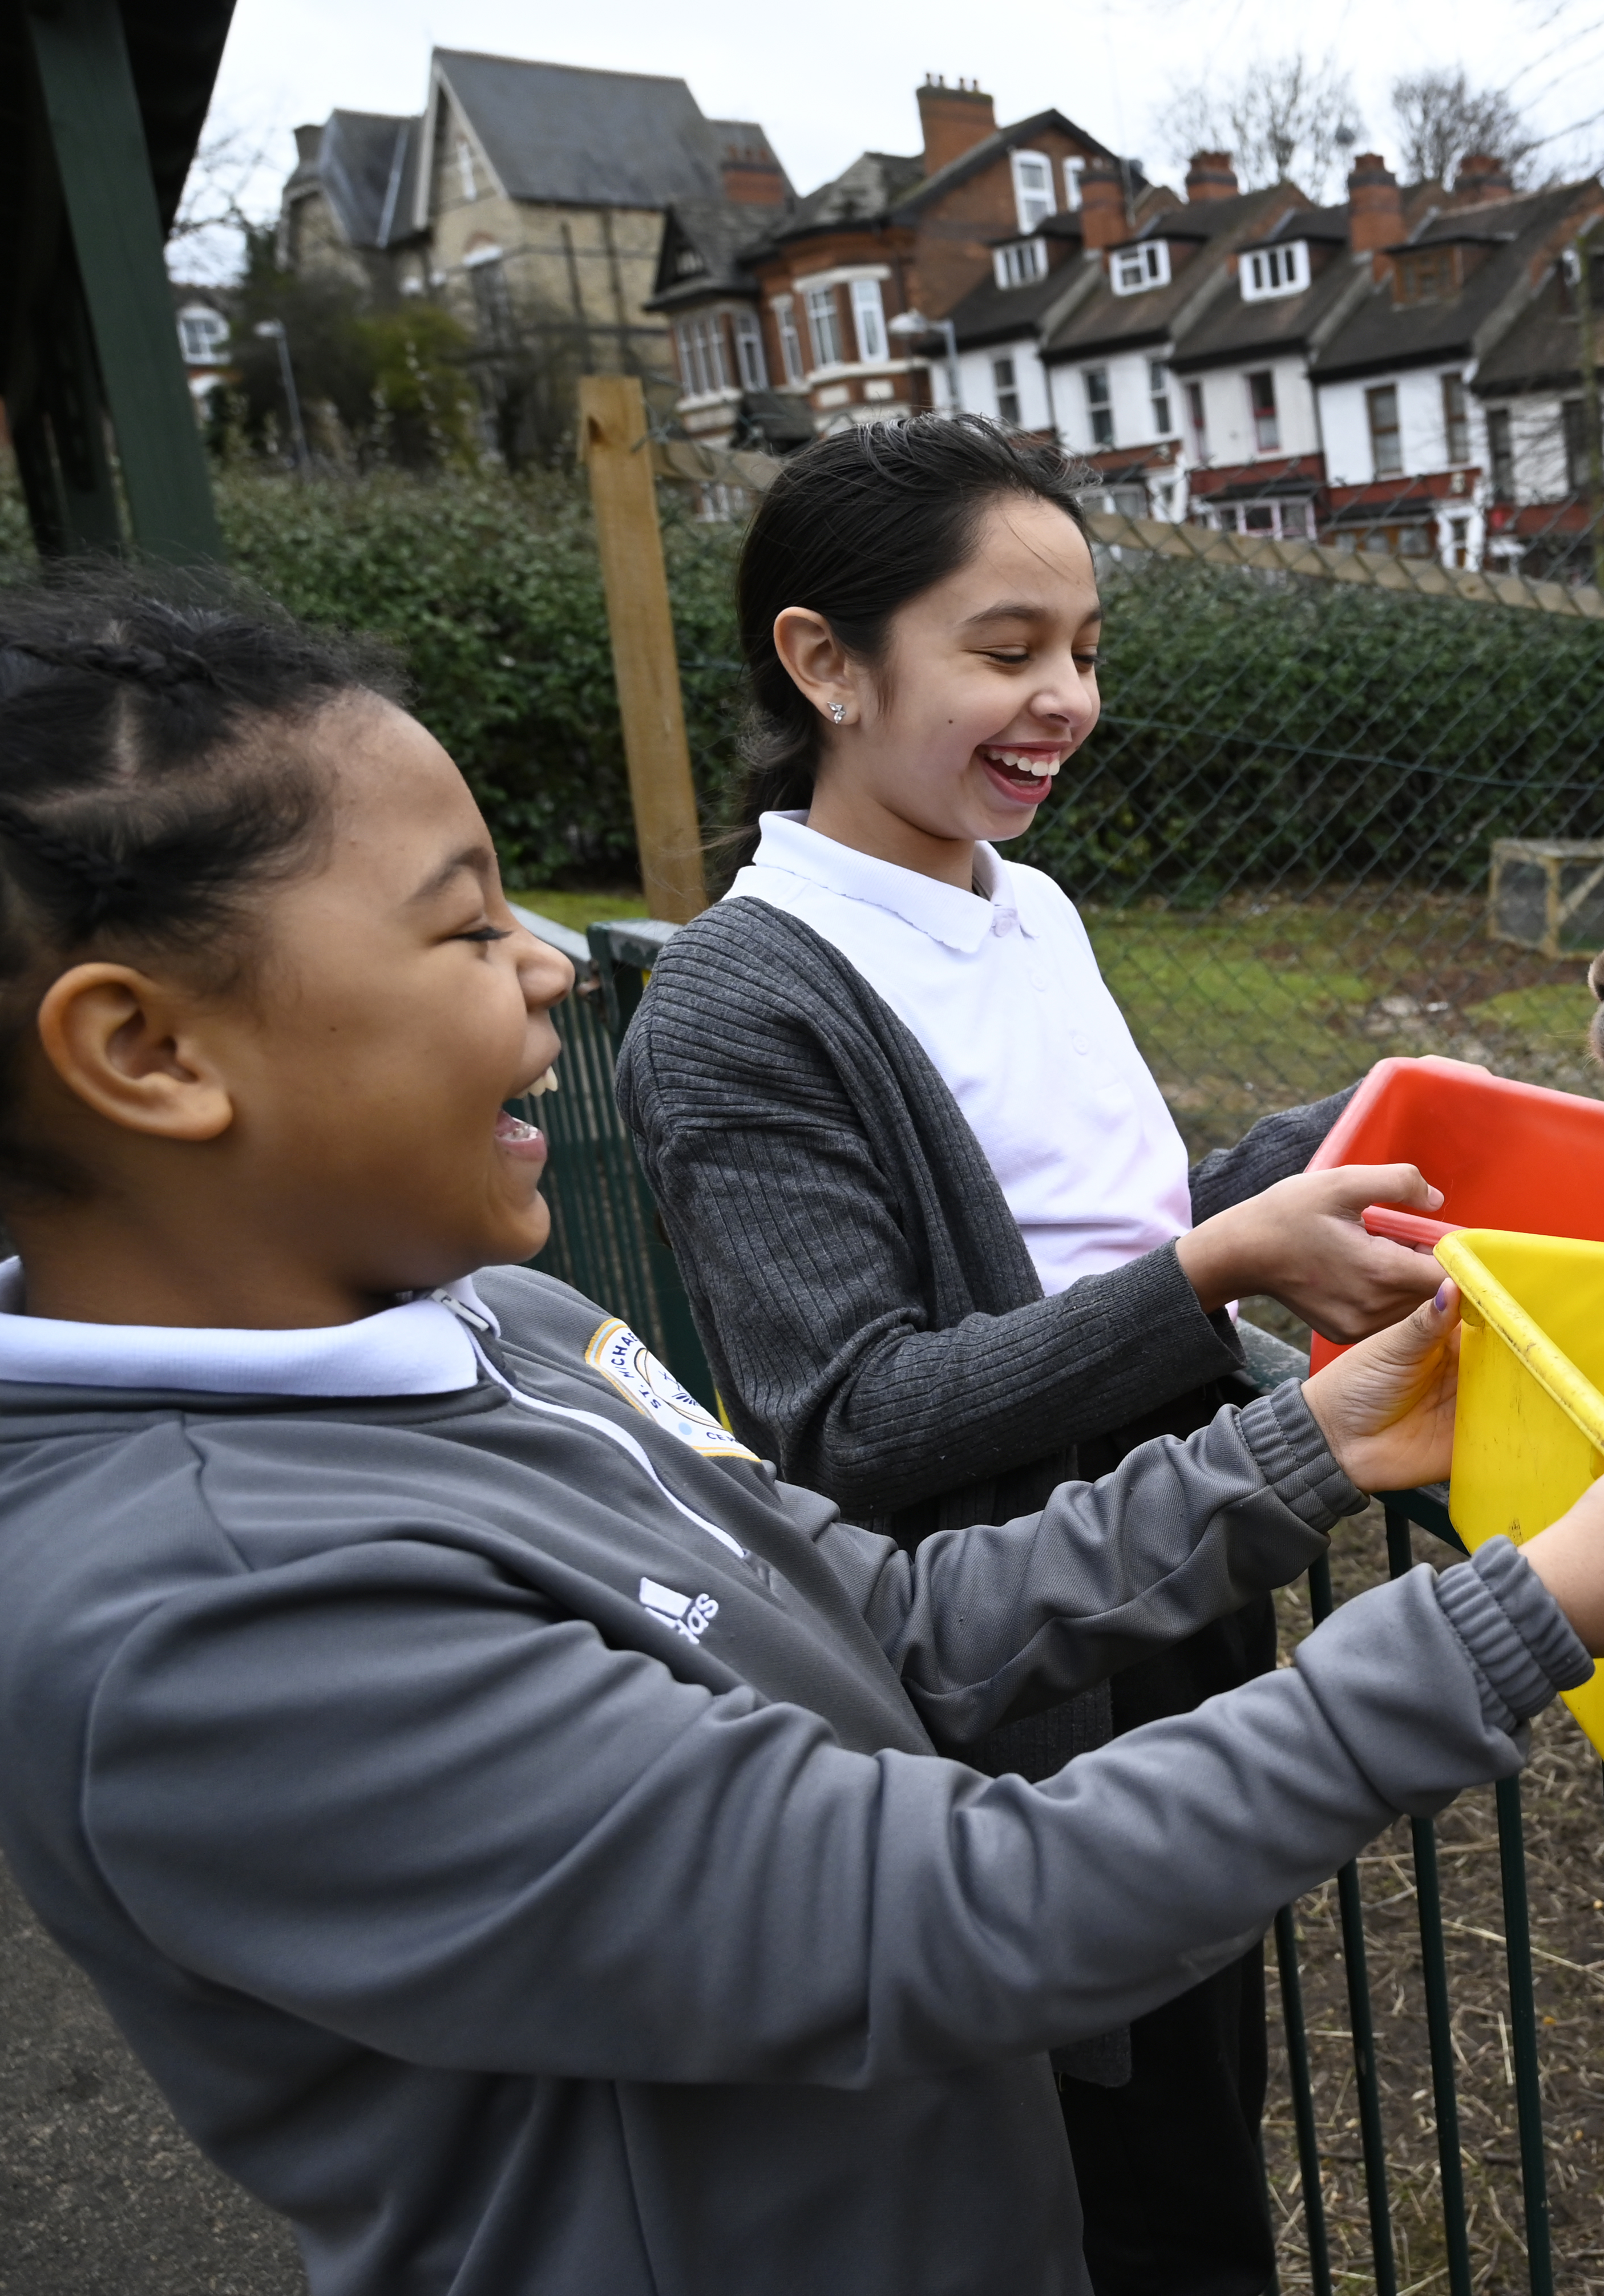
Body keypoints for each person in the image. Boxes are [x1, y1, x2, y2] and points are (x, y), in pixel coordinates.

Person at [0, 580, 1604, 2296]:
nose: (555, 960)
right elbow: (956, 1912)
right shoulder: (215, 1631)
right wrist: (1522, 1618)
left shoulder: (506, 1330)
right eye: (466, 926)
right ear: (148, 1053)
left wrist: (1298, 1451)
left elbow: (867, 1624)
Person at [611, 416, 1436, 2294]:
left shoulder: (1023, 901)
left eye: (1084, 649)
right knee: (1130, 2173)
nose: (1064, 698)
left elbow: (1111, 1239)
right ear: (823, 662)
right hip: (1020, 1647)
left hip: (1198, 1537)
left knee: (1198, 2077)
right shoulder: (742, 1004)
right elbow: (855, 1414)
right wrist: (1223, 1262)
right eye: (1006, 650)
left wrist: (1333, 1143)